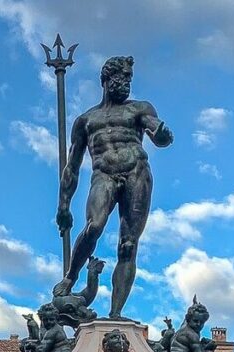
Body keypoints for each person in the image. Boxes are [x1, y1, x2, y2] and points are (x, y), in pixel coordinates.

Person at [54, 55, 173, 319]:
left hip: (137, 173)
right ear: (106, 80)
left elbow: (158, 134)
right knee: (93, 225)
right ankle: (70, 277)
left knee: (128, 244)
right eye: (122, 78)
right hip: (103, 174)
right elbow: (71, 167)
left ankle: (115, 313)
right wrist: (63, 206)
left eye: (130, 78)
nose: (127, 84)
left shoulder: (139, 109)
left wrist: (163, 135)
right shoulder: (86, 120)